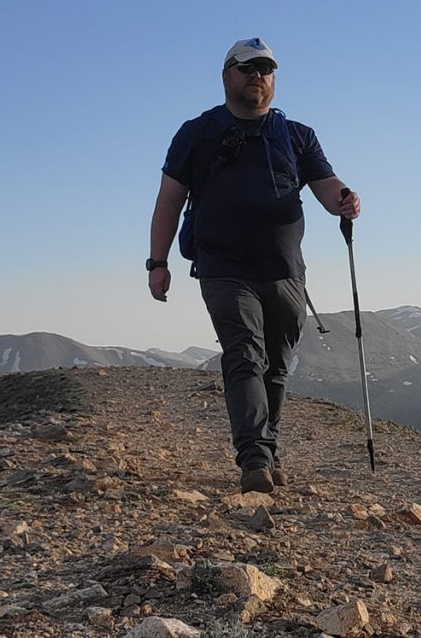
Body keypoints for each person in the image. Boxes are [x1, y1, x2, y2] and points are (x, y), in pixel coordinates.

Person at [147, 38, 361, 494]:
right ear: (227, 75)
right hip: (222, 267)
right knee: (244, 354)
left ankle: (268, 447)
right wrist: (157, 262)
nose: (257, 76)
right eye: (247, 68)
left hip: (285, 270)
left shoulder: (297, 135)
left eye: (265, 69)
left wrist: (345, 198)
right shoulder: (196, 134)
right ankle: (255, 460)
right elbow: (169, 200)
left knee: (276, 366)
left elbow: (325, 185)